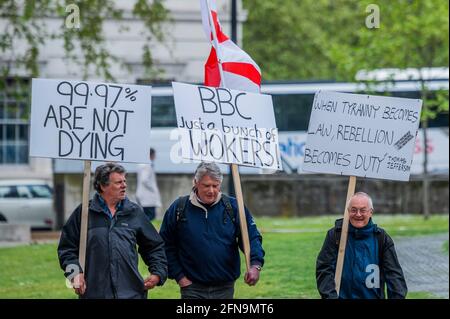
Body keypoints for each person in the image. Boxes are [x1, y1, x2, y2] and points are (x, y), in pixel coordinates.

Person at [57, 163, 168, 299]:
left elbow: (154, 246)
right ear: (103, 186)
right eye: (118, 182)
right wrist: (74, 274)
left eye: (124, 181)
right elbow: (66, 249)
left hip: (131, 294)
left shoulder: (134, 212)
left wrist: (158, 273)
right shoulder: (84, 213)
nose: (124, 185)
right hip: (94, 294)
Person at [159, 162, 265, 299]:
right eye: (206, 185)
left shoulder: (233, 206)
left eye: (215, 186)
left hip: (225, 287)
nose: (211, 191)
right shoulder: (179, 208)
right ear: (196, 183)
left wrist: (255, 265)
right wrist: (180, 277)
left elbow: (252, 237)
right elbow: (165, 244)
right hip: (191, 288)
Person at [316, 192, 408, 299]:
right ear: (348, 211)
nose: (358, 214)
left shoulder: (381, 238)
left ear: (371, 212)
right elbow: (324, 269)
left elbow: (394, 275)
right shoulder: (335, 235)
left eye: (363, 210)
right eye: (354, 210)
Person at [136, 148, 161, 221]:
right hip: (147, 196)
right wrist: (153, 188)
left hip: (144, 195)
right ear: (151, 155)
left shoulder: (142, 165)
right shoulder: (147, 165)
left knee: (147, 215)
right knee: (150, 217)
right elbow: (144, 180)